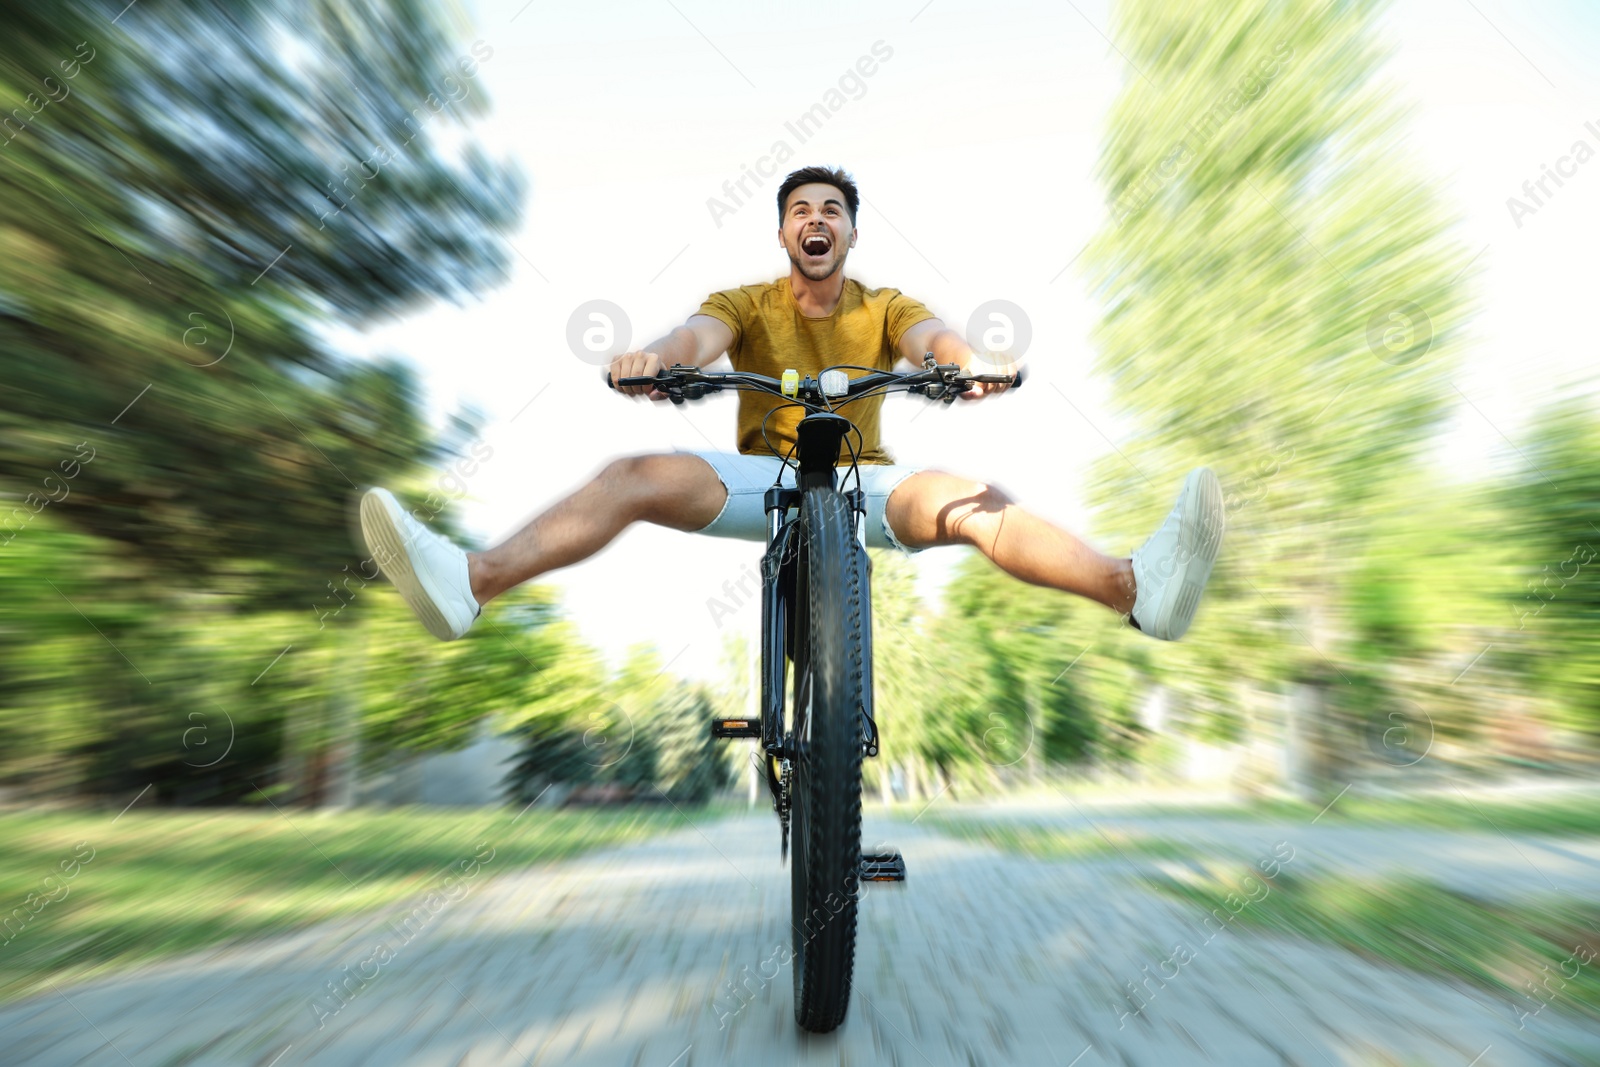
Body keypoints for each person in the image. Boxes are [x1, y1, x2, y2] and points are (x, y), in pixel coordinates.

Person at [358, 165, 1223, 645]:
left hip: (865, 481)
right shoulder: (745, 302)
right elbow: (692, 340)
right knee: (630, 475)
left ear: (850, 233)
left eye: (834, 210)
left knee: (970, 497)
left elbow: (936, 344)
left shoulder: (883, 305)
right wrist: (653, 361)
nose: (818, 219)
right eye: (802, 210)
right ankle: (470, 583)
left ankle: (1136, 587)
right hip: (760, 481)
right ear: (783, 234)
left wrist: (969, 366)